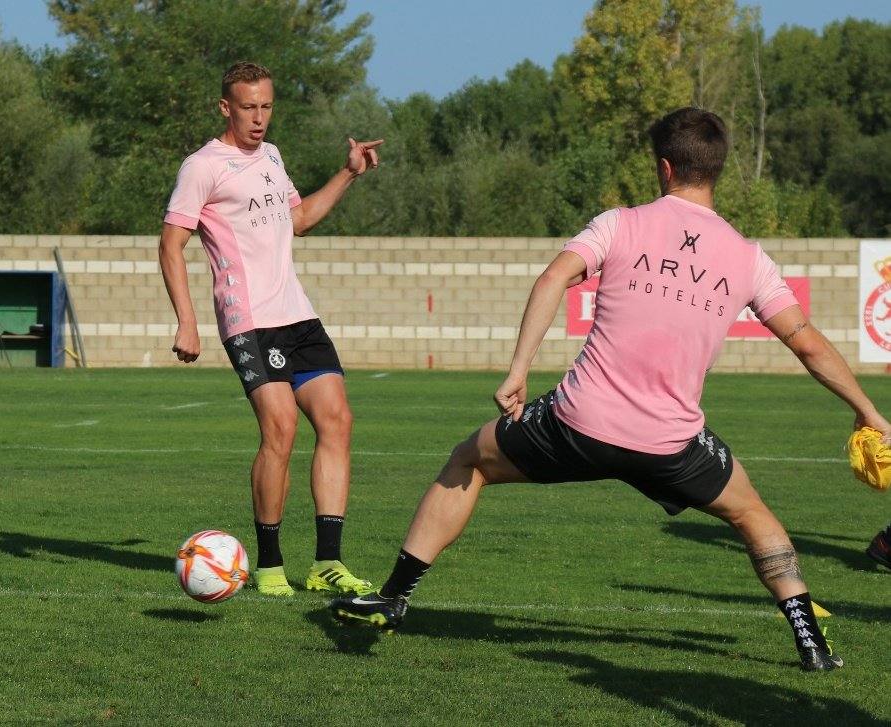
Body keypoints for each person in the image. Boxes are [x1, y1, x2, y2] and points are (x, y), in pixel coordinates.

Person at [330, 107, 891, 671]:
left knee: (468, 460)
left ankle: (394, 597)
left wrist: (519, 369)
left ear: (665, 168)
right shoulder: (749, 259)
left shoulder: (620, 223)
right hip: (671, 445)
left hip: (575, 425)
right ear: (716, 170)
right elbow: (809, 344)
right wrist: (867, 409)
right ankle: (810, 642)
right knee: (755, 517)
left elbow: (553, 277)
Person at [159, 62, 383, 597]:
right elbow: (171, 243)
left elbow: (299, 220)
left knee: (338, 420)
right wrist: (187, 321)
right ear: (225, 108)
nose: (259, 118)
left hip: (297, 313)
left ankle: (326, 561)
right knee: (280, 429)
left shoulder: (272, 156)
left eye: (266, 107)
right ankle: (269, 564)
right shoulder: (202, 167)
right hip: (249, 320)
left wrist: (348, 172)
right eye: (248, 108)